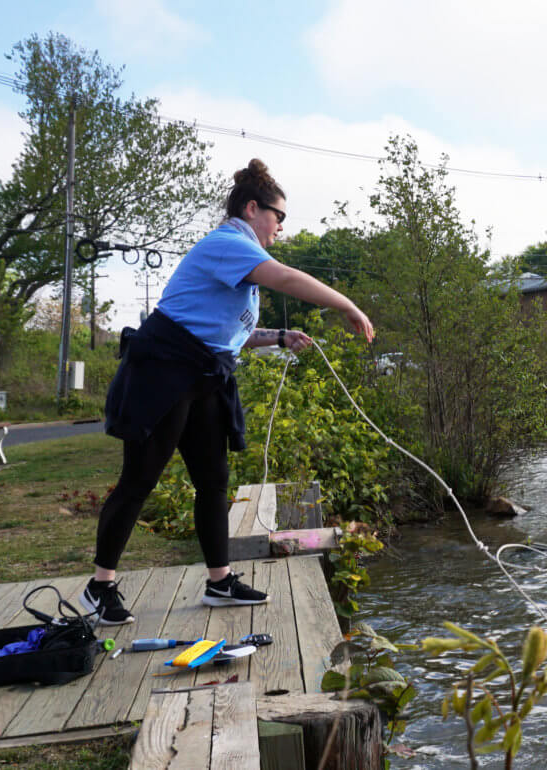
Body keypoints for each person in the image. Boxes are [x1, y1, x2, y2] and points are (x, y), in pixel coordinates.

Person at [82, 159, 375, 625]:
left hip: (205, 377)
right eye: (279, 217)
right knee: (139, 480)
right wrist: (347, 304)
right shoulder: (228, 243)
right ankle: (99, 587)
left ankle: (219, 581)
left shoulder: (240, 256)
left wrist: (278, 337)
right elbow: (285, 278)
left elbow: (225, 334)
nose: (280, 228)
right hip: (163, 371)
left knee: (213, 483)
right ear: (253, 208)